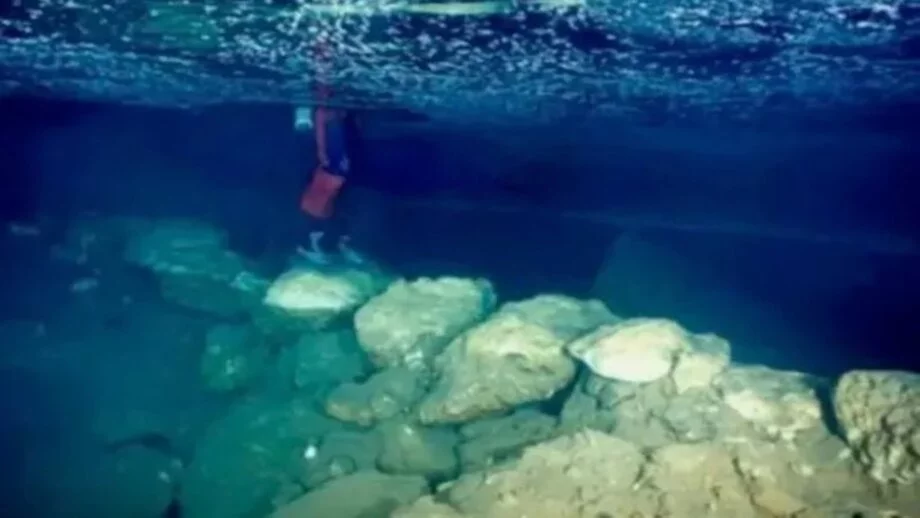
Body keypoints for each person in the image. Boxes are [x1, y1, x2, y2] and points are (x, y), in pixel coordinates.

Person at [295, 102, 365, 265]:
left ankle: (335, 244)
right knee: (323, 203)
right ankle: (314, 246)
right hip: (333, 171)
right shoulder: (327, 117)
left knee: (331, 205)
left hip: (335, 173)